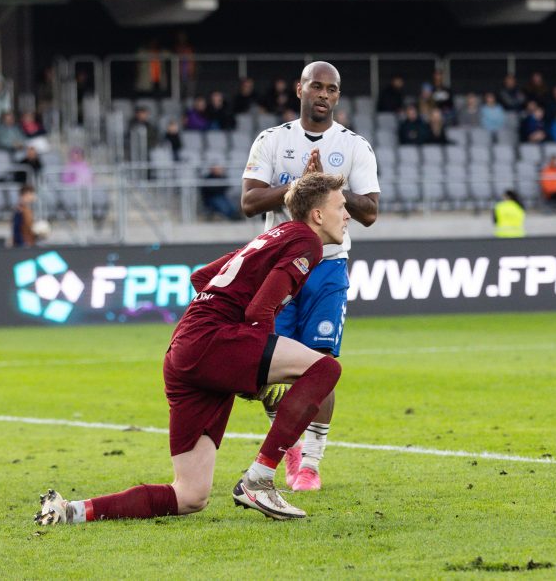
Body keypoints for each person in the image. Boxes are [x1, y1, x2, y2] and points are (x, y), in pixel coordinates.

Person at [36, 172, 348, 524]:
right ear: (318, 215)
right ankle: (259, 479)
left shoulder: (270, 236)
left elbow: (201, 277)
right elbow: (259, 310)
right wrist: (256, 366)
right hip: (212, 338)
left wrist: (243, 367)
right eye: (341, 206)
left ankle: (71, 512)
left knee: (190, 495)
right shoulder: (307, 241)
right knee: (325, 368)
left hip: (186, 348)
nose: (347, 215)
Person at [240, 61, 380, 491]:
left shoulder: (355, 147)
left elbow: (371, 212)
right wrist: (298, 187)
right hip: (279, 264)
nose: (323, 94)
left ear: (338, 96)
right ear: (300, 88)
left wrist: (328, 185)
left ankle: (311, 464)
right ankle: (290, 448)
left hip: (328, 265)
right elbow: (249, 202)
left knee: (321, 364)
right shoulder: (272, 140)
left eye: (331, 89)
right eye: (316, 86)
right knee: (267, 369)